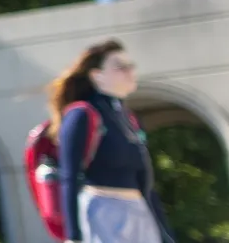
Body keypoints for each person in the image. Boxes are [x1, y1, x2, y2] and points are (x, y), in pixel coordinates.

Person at [50, 39, 173, 243]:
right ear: (97, 76)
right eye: (120, 67)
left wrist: (166, 235)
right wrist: (73, 237)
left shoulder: (130, 119)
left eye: (130, 66)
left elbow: (147, 186)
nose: (129, 71)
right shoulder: (81, 115)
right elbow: (69, 177)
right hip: (101, 212)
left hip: (139, 213)